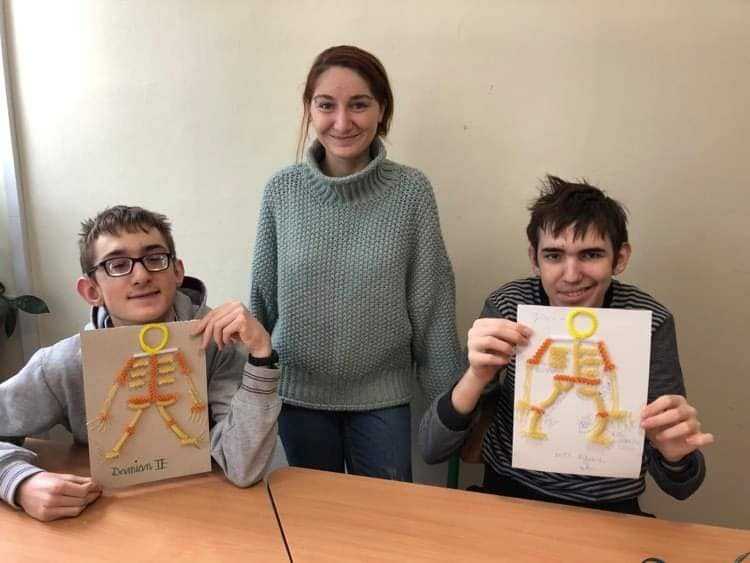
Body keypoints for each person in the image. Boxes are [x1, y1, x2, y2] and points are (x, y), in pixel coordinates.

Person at [419, 176, 714, 515]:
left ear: (620, 258)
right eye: (554, 255)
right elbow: (431, 447)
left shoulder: (648, 321)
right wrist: (476, 376)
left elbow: (682, 487)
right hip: (510, 495)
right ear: (535, 259)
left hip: (610, 508)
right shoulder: (510, 306)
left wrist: (674, 454)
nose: (571, 275)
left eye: (591, 254)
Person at [250, 45, 463, 481]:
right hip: (297, 397)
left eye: (359, 105)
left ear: (382, 110)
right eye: (326, 105)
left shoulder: (411, 192)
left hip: (382, 401)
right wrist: (249, 395)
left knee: (384, 520)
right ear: (309, 110)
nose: (342, 122)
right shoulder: (282, 192)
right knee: (309, 519)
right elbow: (263, 303)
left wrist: (455, 407)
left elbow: (432, 304)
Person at [0, 205, 281, 521]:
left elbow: (244, 467)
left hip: (207, 512)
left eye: (155, 258)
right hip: (107, 515)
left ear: (177, 272)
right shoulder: (63, 364)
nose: (142, 275)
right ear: (91, 290)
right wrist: (18, 481)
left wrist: (261, 357)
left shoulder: (219, 344)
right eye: (117, 264)